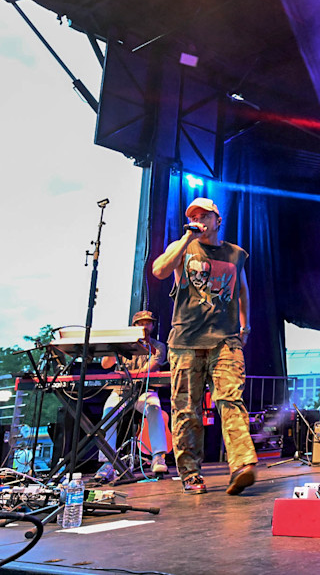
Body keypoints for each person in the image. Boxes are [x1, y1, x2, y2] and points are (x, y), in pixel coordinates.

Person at [151, 197, 258, 495]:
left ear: (217, 219)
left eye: (204, 215)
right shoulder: (183, 247)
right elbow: (159, 270)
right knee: (186, 409)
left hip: (225, 339)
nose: (198, 219)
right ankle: (190, 473)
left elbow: (243, 291)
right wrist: (188, 237)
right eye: (193, 215)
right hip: (185, 341)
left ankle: (243, 464)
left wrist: (244, 325)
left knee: (230, 399)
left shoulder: (235, 254)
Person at [93, 310, 170, 483]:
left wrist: (124, 373)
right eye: (141, 323)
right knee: (108, 412)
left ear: (153, 325)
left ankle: (158, 457)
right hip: (120, 391)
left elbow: (148, 370)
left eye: (148, 323)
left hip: (144, 391)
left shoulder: (158, 346)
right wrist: (115, 347)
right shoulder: (123, 345)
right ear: (134, 326)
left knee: (154, 408)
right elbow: (106, 365)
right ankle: (107, 464)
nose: (145, 326)